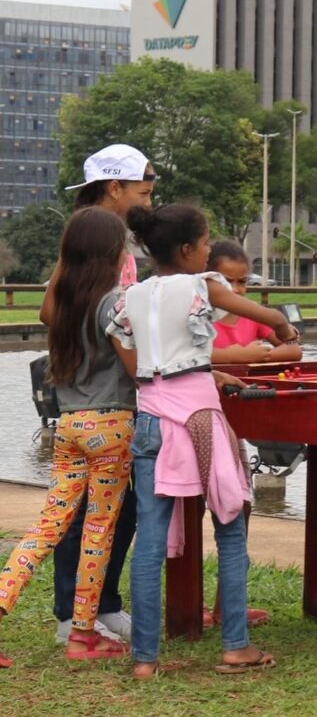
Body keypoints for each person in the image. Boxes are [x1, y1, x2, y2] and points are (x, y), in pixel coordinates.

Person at [110, 203, 300, 678]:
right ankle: (236, 646)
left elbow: (136, 361)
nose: (212, 249)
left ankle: (144, 660)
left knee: (149, 542)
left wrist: (202, 368)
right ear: (189, 249)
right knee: (230, 528)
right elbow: (265, 313)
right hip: (199, 423)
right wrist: (283, 327)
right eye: (208, 241)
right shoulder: (201, 286)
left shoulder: (130, 296)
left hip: (151, 423)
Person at [0, 207, 137, 666]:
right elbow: (137, 368)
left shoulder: (62, 302)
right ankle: (82, 635)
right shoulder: (115, 303)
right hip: (112, 428)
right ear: (112, 252)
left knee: (45, 530)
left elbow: (47, 304)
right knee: (97, 531)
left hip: (68, 428)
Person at [40, 143, 156, 646]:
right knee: (84, 511)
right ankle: (73, 612)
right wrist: (105, 335)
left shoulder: (114, 242)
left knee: (117, 509)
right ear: (116, 188)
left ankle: (101, 605)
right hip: (94, 397)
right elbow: (50, 310)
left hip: (102, 398)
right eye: (143, 192)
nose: (149, 202)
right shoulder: (91, 240)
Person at [203, 239, 303, 630]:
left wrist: (258, 353)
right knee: (188, 514)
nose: (238, 291)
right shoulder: (196, 317)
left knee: (238, 508)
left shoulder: (255, 317)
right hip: (200, 423)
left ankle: (227, 603)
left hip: (237, 429)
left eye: (243, 282)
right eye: (229, 282)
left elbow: (293, 350)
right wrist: (244, 354)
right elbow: (190, 356)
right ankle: (187, 603)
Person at [209, 240, 303, 365]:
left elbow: (294, 350)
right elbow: (185, 357)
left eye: (242, 282)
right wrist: (235, 356)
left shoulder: (253, 314)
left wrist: (259, 356)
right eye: (226, 281)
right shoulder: (197, 314)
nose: (235, 289)